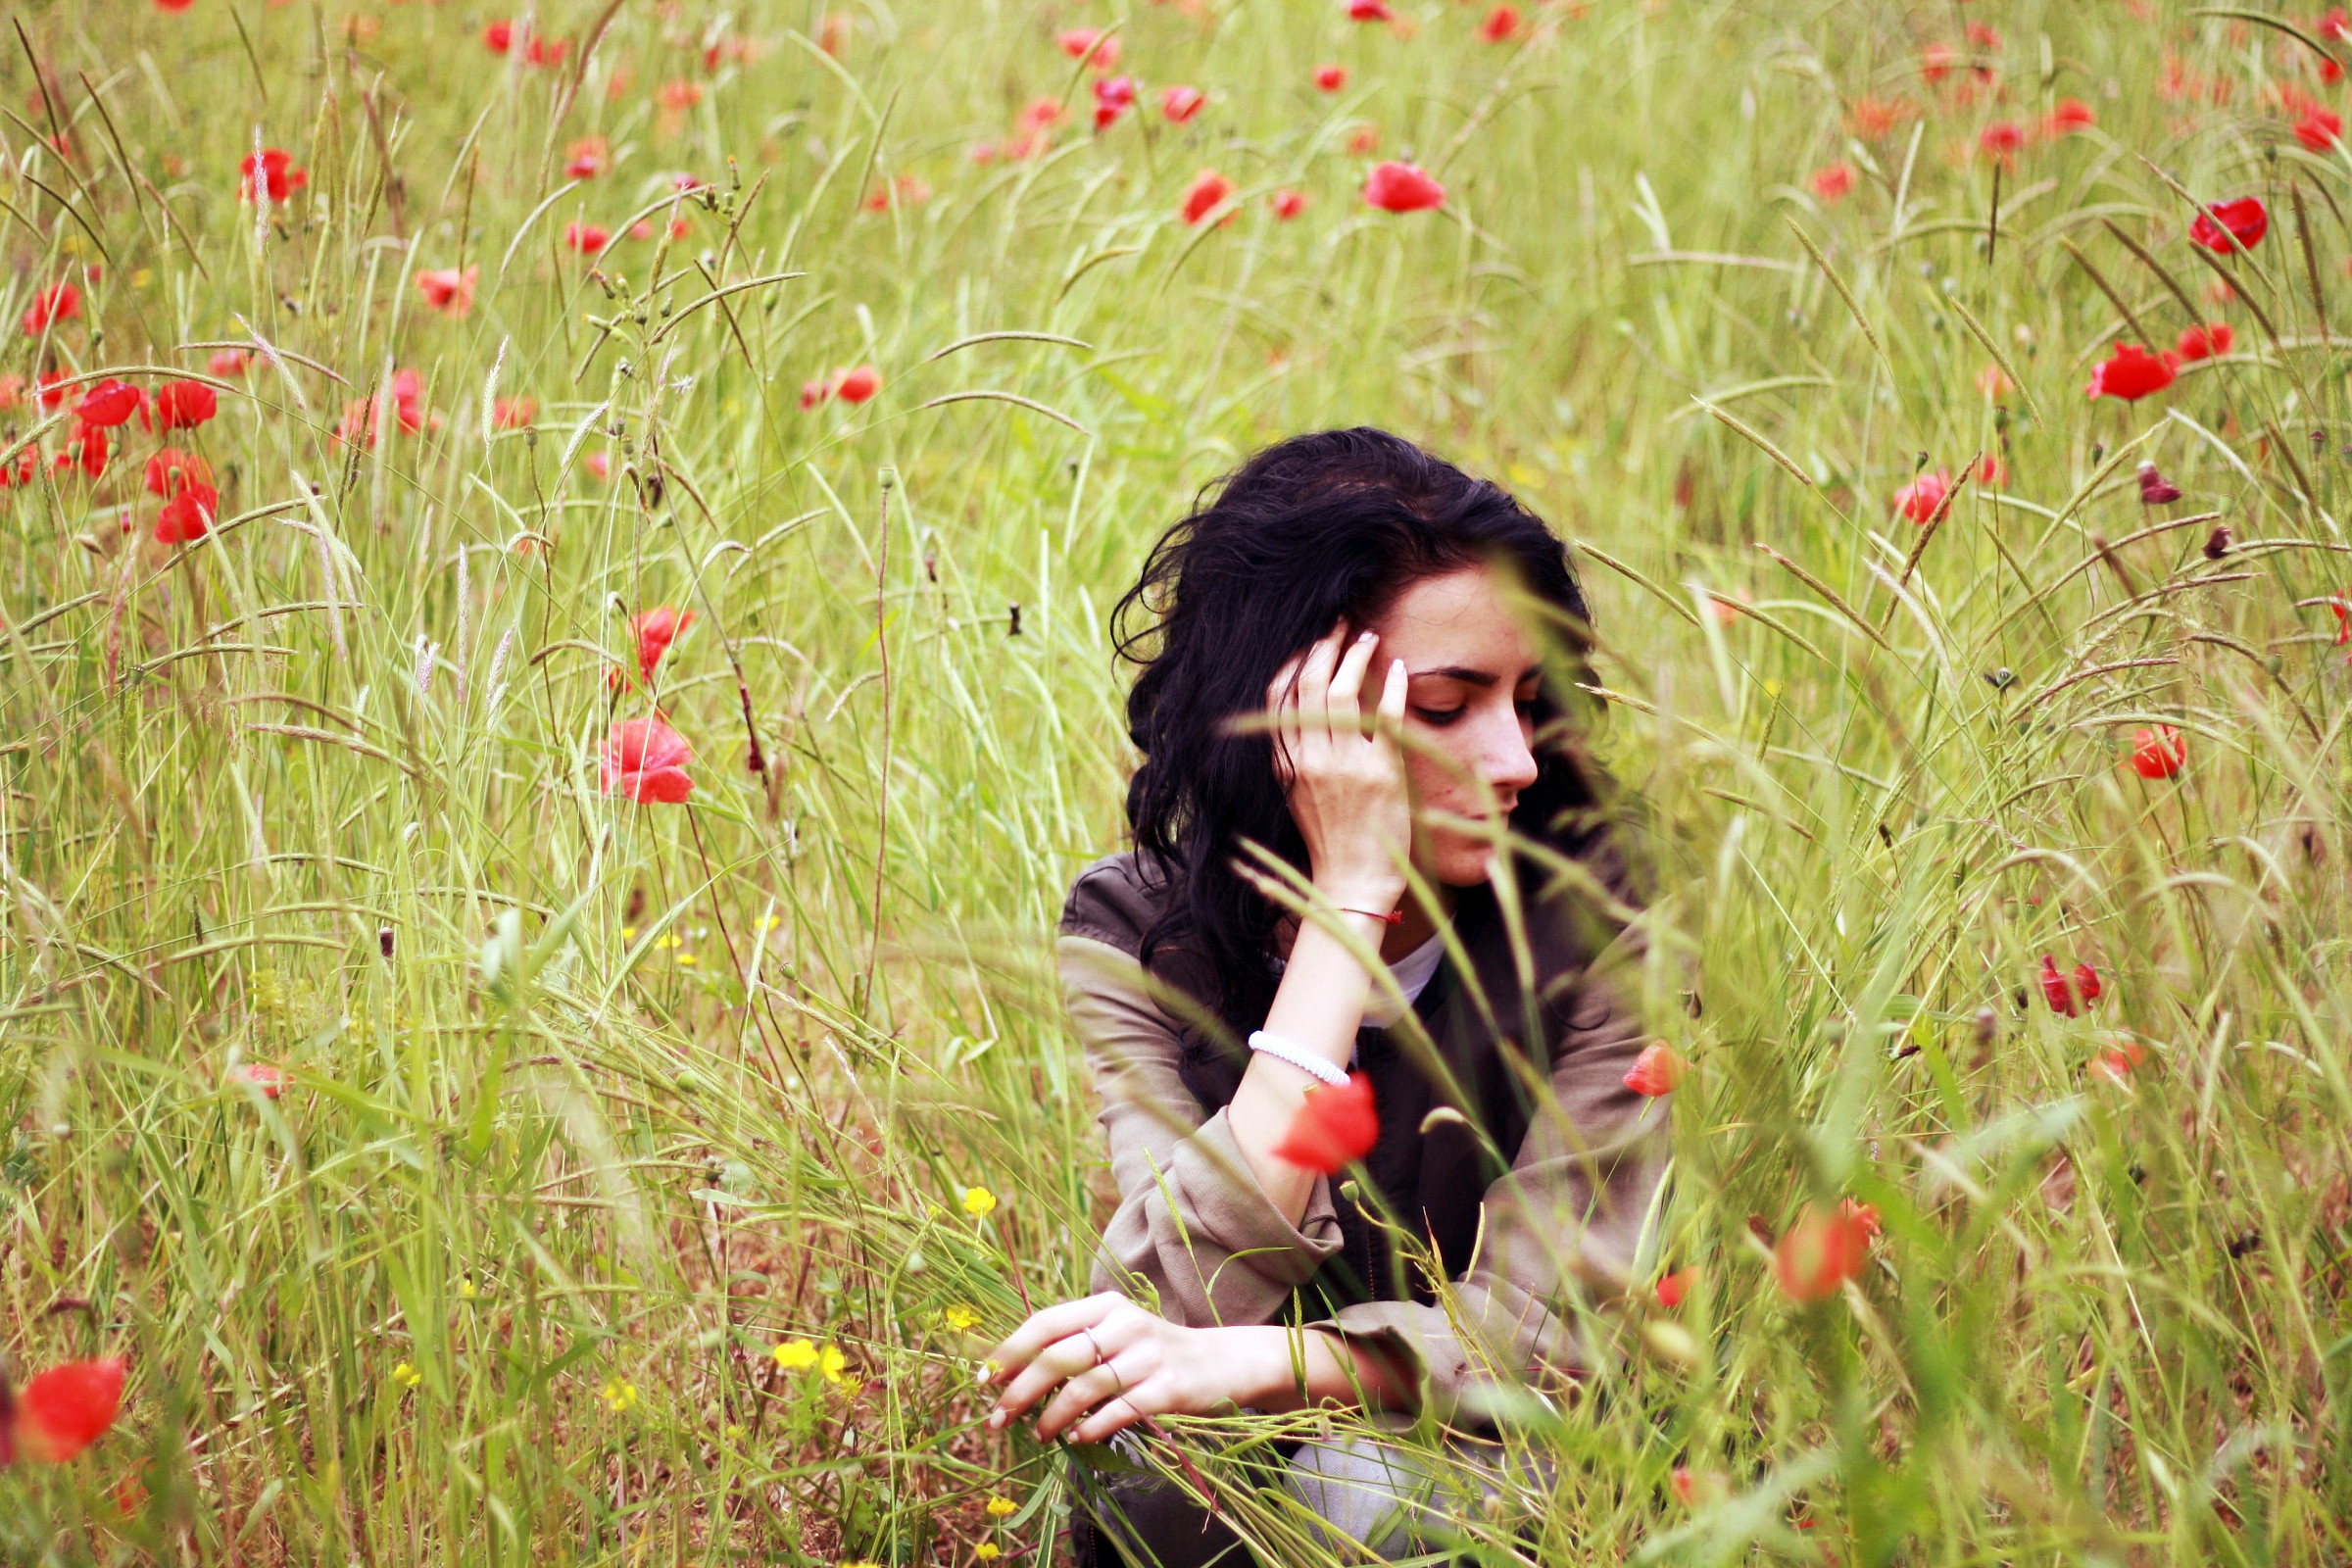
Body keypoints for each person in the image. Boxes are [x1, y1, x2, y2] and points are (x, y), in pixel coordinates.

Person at [982, 428, 1672, 1565]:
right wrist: (1348, 901)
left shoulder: (1608, 912)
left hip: (1499, 1449)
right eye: (1449, 706)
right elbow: (1172, 1293)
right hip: (1240, 1431)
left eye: (1527, 699)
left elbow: (1556, 1335)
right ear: (1293, 722)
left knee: (1366, 1490)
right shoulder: (1136, 930)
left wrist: (1276, 1365)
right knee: (1117, 1441)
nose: (1516, 760)